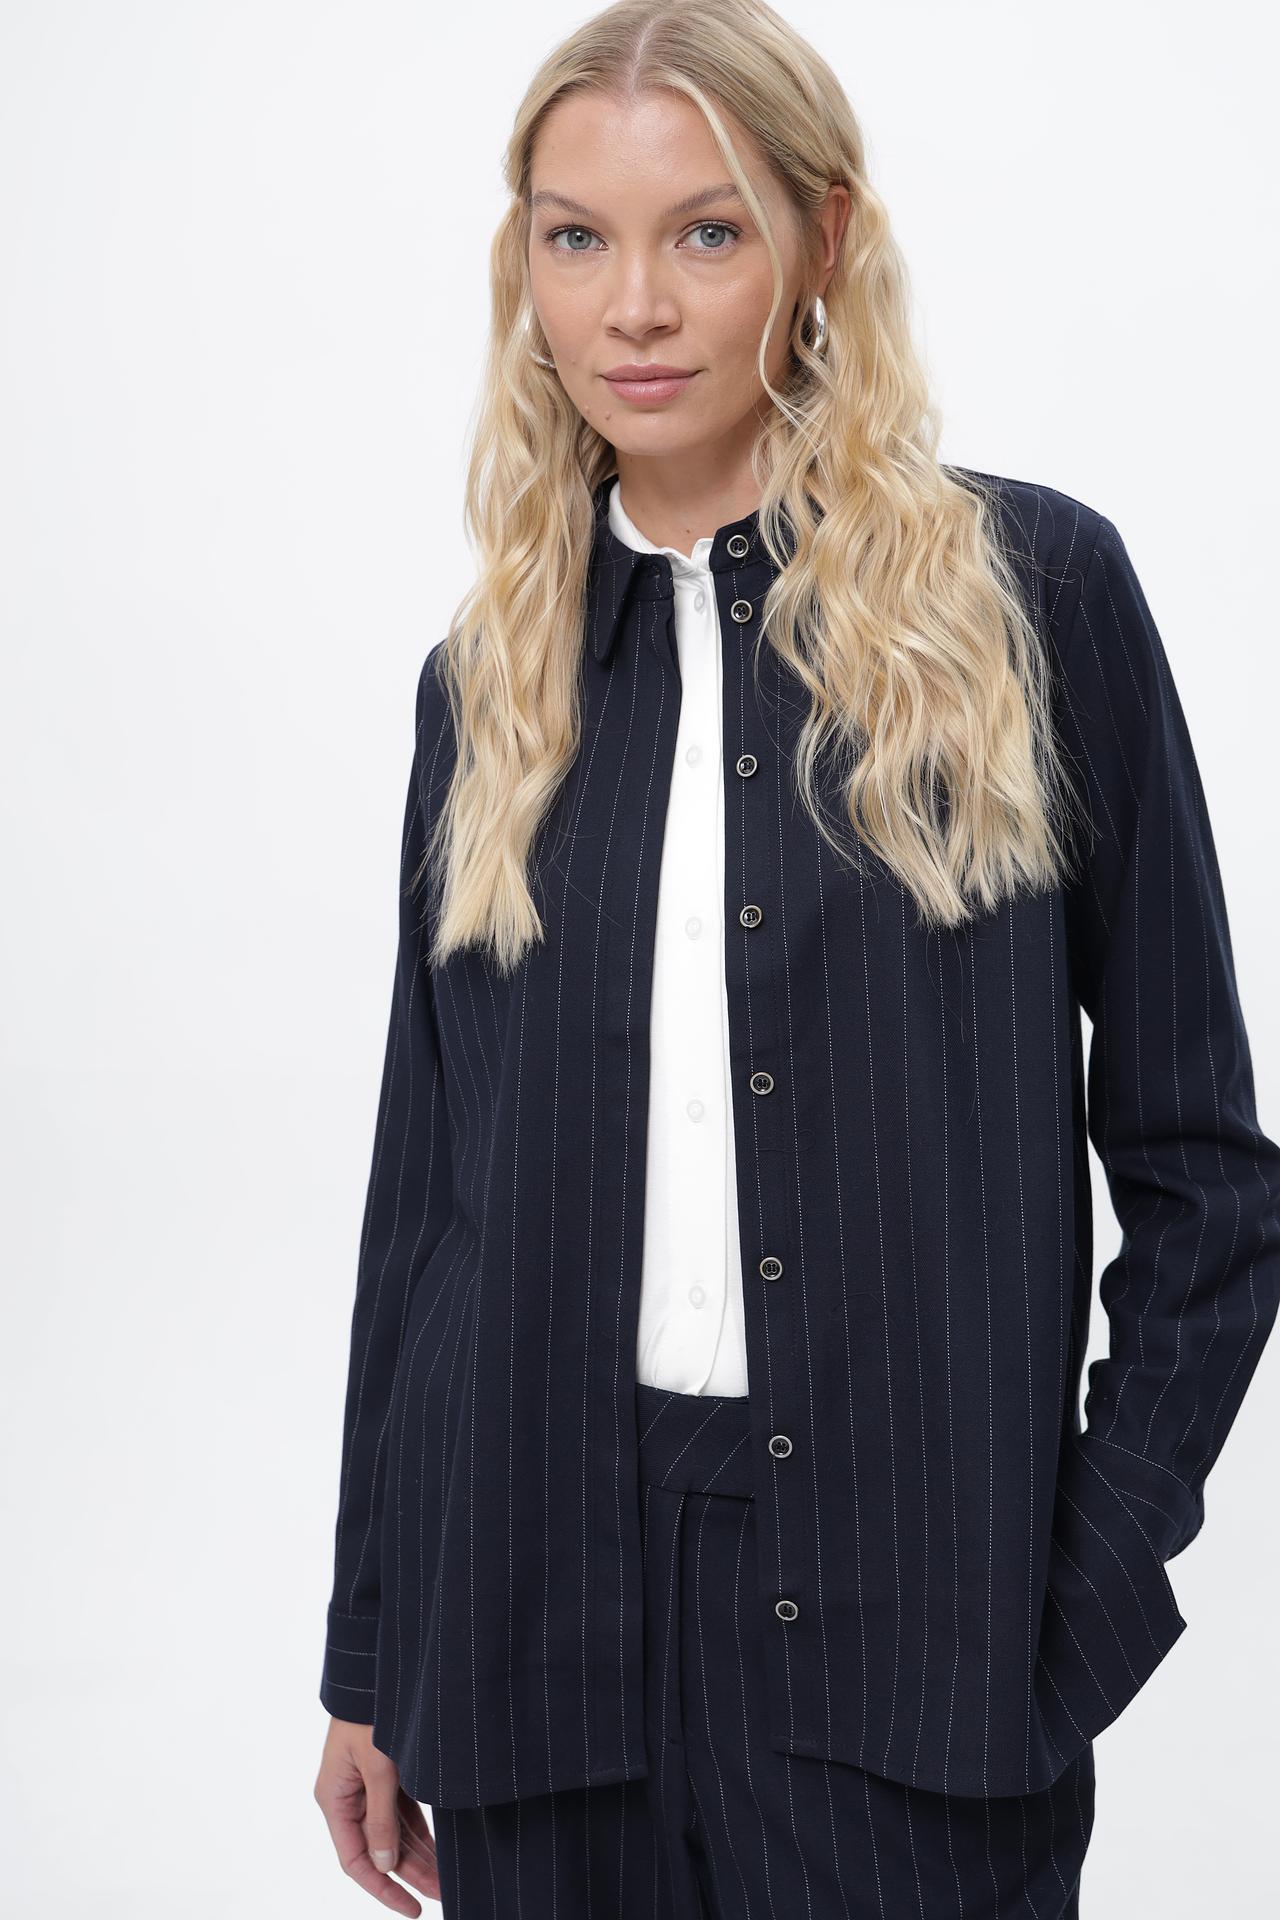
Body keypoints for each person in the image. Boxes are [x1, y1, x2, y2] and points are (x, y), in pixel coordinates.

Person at [312, 2, 1280, 1913]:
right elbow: (425, 1214)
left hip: (912, 1634)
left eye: (707, 230)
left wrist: (1090, 1579)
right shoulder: (487, 683)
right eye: (576, 237)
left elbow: (1205, 1174)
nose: (635, 306)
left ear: (822, 238)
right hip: (531, 1635)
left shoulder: (1035, 601)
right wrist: (374, 1649)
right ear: (525, 266)